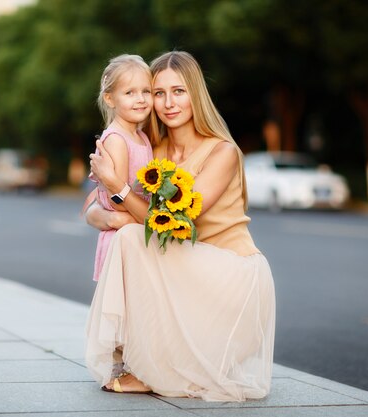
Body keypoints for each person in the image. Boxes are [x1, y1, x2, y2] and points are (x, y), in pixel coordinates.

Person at [84, 50, 276, 401]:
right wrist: (111, 216)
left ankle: (148, 366)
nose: (168, 103)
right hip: (184, 270)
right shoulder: (150, 149)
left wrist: (120, 189)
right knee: (127, 233)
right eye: (159, 93)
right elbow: (89, 207)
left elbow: (174, 225)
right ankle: (143, 361)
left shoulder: (223, 152)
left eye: (179, 91)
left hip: (231, 279)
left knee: (132, 237)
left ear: (196, 95)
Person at [88, 54, 154, 281]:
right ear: (110, 98)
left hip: (135, 233)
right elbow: (118, 202)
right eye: (130, 93)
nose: (141, 99)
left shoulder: (141, 137)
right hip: (121, 239)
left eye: (146, 91)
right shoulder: (117, 139)